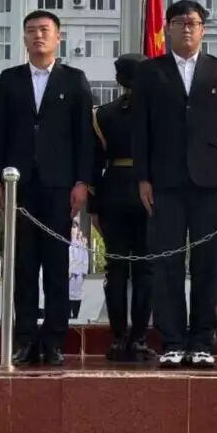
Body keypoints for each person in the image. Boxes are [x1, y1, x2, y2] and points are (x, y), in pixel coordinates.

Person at [132, 0, 217, 368]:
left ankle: (202, 340)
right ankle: (173, 340)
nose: (186, 28)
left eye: (192, 22)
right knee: (167, 262)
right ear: (168, 28)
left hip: (211, 182)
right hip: (164, 182)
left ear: (203, 29)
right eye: (179, 22)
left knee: (208, 264)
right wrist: (143, 177)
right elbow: (141, 130)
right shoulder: (151, 72)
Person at [0, 10, 93, 366]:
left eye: (44, 30)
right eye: (31, 30)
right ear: (24, 38)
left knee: (57, 264)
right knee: (24, 265)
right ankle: (25, 338)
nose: (38, 36)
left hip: (59, 186)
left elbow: (84, 137)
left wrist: (82, 181)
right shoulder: (9, 80)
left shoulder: (74, 81)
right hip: (18, 185)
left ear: (58, 37)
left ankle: (54, 340)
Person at [92, 53, 154, 361]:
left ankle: (118, 340)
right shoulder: (157, 113)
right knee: (144, 269)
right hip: (148, 194)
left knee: (115, 268)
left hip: (113, 192)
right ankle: (139, 339)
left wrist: (93, 207)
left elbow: (93, 163)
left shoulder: (103, 115)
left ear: (119, 80)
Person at [68, 220, 87, 320]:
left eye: (75, 228)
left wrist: (83, 272)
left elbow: (84, 260)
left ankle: (76, 316)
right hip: (68, 276)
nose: (73, 231)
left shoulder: (81, 245)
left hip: (78, 276)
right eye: (72, 228)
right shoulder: (65, 243)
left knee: (77, 297)